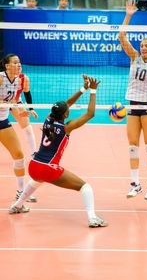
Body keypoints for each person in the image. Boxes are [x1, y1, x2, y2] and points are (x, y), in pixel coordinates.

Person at [9, 75, 108, 228]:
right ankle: (92, 218)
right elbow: (90, 114)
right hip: (48, 167)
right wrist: (93, 91)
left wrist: (83, 89)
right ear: (66, 114)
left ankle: (17, 205)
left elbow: (66, 105)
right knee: (85, 187)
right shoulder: (66, 128)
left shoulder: (48, 119)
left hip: (34, 165)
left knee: (36, 180)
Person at [118, 0, 147, 201]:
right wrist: (128, 16)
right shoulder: (134, 56)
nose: (143, 48)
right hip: (132, 105)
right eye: (142, 45)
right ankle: (135, 183)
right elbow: (121, 35)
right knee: (133, 146)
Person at [0, 54, 34, 202]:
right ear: (7, 66)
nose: (19, 65)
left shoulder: (22, 78)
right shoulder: (0, 78)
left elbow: (25, 94)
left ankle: (21, 192)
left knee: (19, 156)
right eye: (15, 62)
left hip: (2, 120)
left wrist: (30, 108)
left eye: (19, 62)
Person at [10, 69, 38, 156]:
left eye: (19, 64)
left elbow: (27, 93)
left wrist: (31, 108)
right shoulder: (2, 78)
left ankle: (34, 153)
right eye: (15, 64)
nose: (18, 67)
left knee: (28, 129)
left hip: (17, 103)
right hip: (2, 103)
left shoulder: (24, 78)